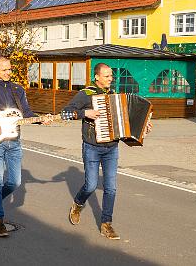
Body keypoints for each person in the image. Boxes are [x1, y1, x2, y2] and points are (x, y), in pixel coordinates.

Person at [63, 62, 151, 240]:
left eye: (111, 76)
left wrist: (143, 127)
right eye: (107, 76)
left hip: (112, 148)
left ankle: (106, 224)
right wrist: (85, 113)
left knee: (111, 188)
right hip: (92, 147)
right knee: (91, 185)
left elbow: (126, 122)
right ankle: (78, 203)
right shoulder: (86, 94)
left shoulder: (114, 96)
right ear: (97, 77)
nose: (111, 79)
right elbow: (66, 112)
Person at [0, 56, 50, 237]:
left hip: (14, 141)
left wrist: (41, 119)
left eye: (9, 69)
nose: (8, 72)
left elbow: (27, 113)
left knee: (15, 182)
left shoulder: (18, 89)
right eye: (4, 70)